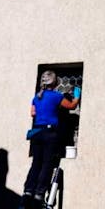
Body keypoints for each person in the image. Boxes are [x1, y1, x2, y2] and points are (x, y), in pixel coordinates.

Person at [23, 71, 79, 200]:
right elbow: (71, 106)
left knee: (36, 162)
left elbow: (33, 113)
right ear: (55, 83)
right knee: (47, 163)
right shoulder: (56, 96)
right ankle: (39, 193)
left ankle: (28, 190)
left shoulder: (36, 97)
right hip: (49, 133)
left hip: (36, 132)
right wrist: (76, 96)